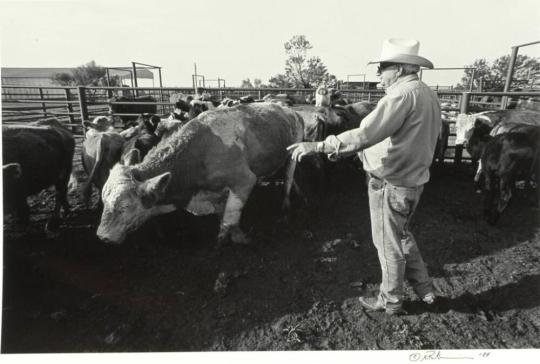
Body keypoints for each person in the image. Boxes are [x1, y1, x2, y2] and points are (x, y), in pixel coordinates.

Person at [287, 38, 442, 315]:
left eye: (383, 67)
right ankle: (425, 289)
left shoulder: (400, 96)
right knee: (402, 236)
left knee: (387, 244)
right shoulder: (426, 93)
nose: (379, 74)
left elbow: (365, 133)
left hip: (390, 183)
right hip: (413, 181)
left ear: (401, 68)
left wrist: (319, 146)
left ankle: (391, 300)